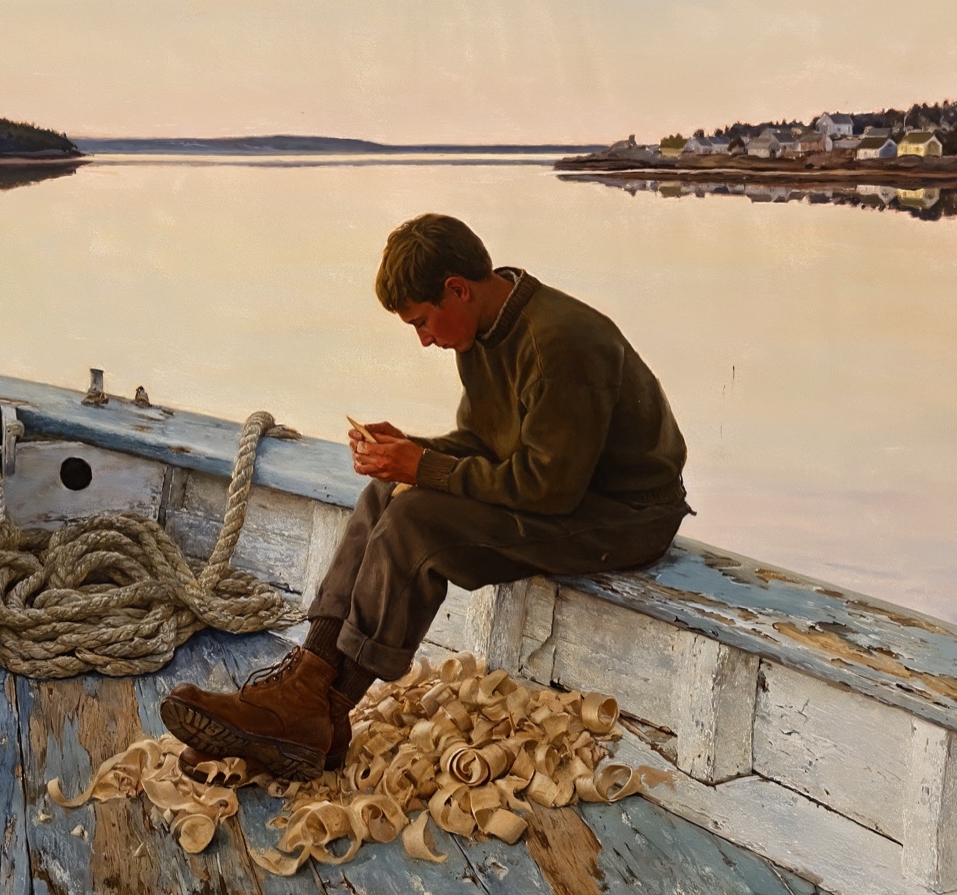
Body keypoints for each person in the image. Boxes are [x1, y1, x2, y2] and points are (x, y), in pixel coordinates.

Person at [160, 213, 691, 781]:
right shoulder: (482, 328)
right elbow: (486, 445)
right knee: (387, 489)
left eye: (421, 321)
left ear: (457, 289)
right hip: (566, 492)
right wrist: (410, 452)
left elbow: (548, 487)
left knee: (416, 520)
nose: (424, 339)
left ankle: (320, 713)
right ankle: (309, 692)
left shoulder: (562, 342)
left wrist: (425, 465)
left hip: (624, 515)